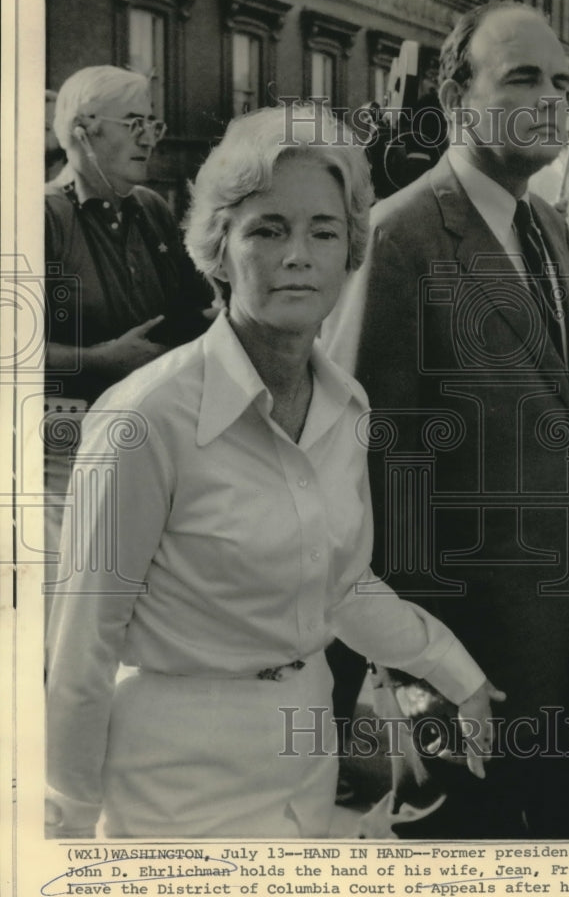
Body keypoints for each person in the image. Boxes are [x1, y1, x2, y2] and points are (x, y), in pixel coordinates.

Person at [45, 103, 502, 840]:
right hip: (173, 790)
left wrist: (458, 674)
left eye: (324, 231)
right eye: (267, 229)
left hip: (304, 762)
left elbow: (342, 584)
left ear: (352, 251)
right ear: (218, 249)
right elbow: (81, 651)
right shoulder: (146, 420)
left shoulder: (345, 406)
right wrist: (61, 836)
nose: (299, 255)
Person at [323, 2, 569, 839]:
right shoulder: (397, 242)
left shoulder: (544, 222)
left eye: (565, 83)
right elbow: (365, 474)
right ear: (455, 96)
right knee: (463, 864)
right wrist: (415, 669)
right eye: (522, 78)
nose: (554, 99)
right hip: (473, 659)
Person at [44, 66, 212, 579]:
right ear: (82, 128)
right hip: (64, 453)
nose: (149, 139)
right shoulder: (42, 216)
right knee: (85, 592)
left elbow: (194, 311)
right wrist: (100, 360)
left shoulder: (152, 209)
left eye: (153, 125)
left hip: (152, 442)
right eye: (134, 122)